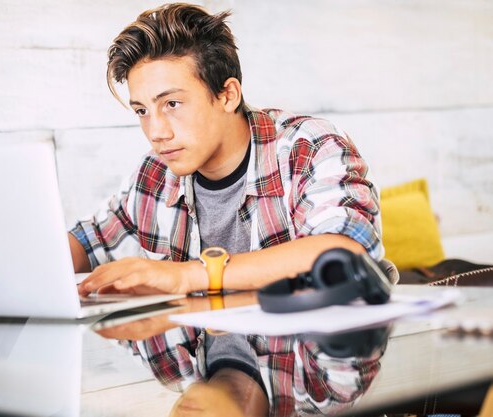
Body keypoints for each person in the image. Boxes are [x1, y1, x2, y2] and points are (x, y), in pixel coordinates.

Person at [71, 3, 382, 296]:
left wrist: (188, 275)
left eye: (172, 104)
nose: (156, 132)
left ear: (228, 95)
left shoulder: (308, 147)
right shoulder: (154, 173)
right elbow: (85, 244)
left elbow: (345, 252)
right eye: (142, 111)